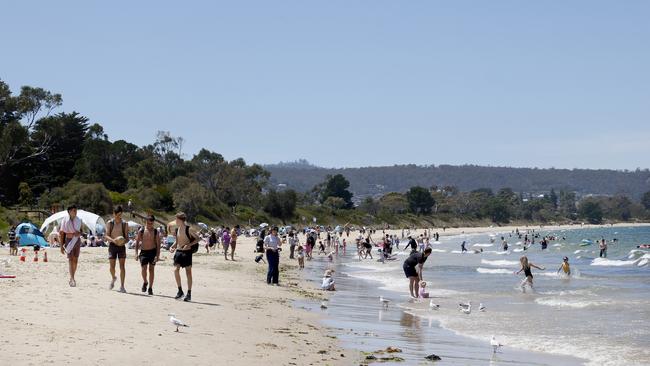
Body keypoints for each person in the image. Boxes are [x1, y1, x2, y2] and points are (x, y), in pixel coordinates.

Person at [170, 212, 198, 302]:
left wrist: (189, 244)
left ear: (180, 220)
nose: (175, 221)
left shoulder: (189, 229)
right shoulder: (177, 229)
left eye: (176, 219)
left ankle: (189, 293)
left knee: (188, 273)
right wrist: (172, 246)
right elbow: (177, 241)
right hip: (178, 251)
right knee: (175, 270)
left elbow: (198, 238)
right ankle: (180, 291)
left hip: (187, 253)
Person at [104, 206, 129, 293]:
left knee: (122, 266)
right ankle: (113, 277)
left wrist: (123, 242)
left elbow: (127, 237)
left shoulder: (124, 223)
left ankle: (122, 286)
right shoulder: (110, 223)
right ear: (114, 214)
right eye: (117, 215)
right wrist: (113, 240)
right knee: (112, 267)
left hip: (121, 246)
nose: (119, 216)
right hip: (112, 245)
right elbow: (106, 235)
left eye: (120, 215)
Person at [134, 215, 160, 295]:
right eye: (148, 223)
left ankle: (150, 288)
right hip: (143, 252)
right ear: (146, 222)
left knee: (151, 270)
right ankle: (145, 282)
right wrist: (136, 253)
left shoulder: (155, 231)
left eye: (151, 223)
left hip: (152, 252)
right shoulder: (141, 230)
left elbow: (158, 244)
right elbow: (137, 242)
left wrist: (157, 255)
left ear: (153, 223)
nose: (150, 225)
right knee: (143, 269)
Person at [59, 205, 82, 287]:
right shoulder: (65, 220)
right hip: (69, 241)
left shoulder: (79, 220)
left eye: (76, 210)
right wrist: (61, 246)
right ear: (69, 211)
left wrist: (79, 233)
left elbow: (81, 231)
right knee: (70, 260)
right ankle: (72, 278)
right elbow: (62, 233)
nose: (75, 212)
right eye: (73, 210)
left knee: (76, 260)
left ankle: (72, 276)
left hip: (77, 241)